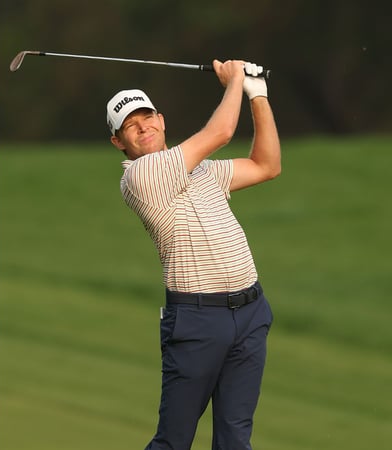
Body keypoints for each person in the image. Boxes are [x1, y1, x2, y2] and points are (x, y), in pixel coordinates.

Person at [106, 60, 280, 449]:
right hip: (197, 321)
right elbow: (220, 132)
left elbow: (266, 165)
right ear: (119, 142)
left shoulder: (202, 171)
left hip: (250, 313)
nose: (142, 127)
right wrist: (236, 79)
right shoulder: (141, 176)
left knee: (236, 439)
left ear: (162, 120)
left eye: (147, 117)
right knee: (174, 441)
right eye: (129, 125)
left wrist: (258, 95)